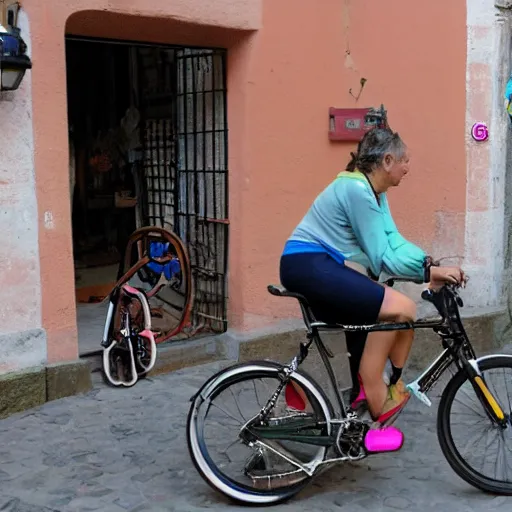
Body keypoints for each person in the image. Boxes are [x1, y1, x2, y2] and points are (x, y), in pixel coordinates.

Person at [279, 127, 464, 452]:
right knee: (402, 307)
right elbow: (382, 257)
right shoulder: (356, 191)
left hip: (321, 265)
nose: (408, 167)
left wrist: (428, 264)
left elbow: (393, 241)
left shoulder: (375, 193)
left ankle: (359, 418)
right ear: (387, 160)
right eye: (404, 160)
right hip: (307, 264)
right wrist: (430, 272)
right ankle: (374, 391)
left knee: (387, 317)